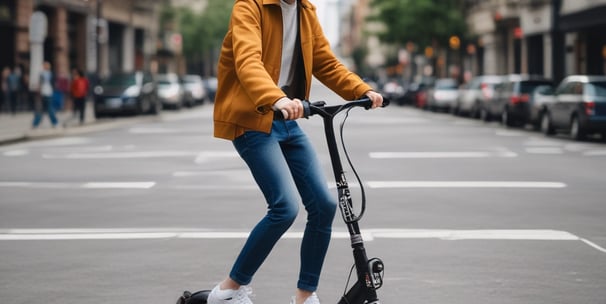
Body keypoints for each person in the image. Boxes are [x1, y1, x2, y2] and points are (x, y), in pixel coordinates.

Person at [208, 1, 383, 304]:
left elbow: (325, 62)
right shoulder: (249, 7)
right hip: (253, 120)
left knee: (323, 205)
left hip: (287, 120)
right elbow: (248, 61)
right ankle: (228, 290)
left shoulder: (305, 12)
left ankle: (305, 295)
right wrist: (275, 98)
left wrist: (361, 90)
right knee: (284, 208)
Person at [32, 61, 58, 128]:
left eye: (47, 65)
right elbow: (39, 83)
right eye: (45, 65)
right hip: (42, 93)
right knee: (40, 109)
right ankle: (35, 124)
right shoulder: (41, 74)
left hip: (49, 92)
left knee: (50, 109)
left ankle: (55, 123)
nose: (46, 67)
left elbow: (54, 83)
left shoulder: (52, 74)